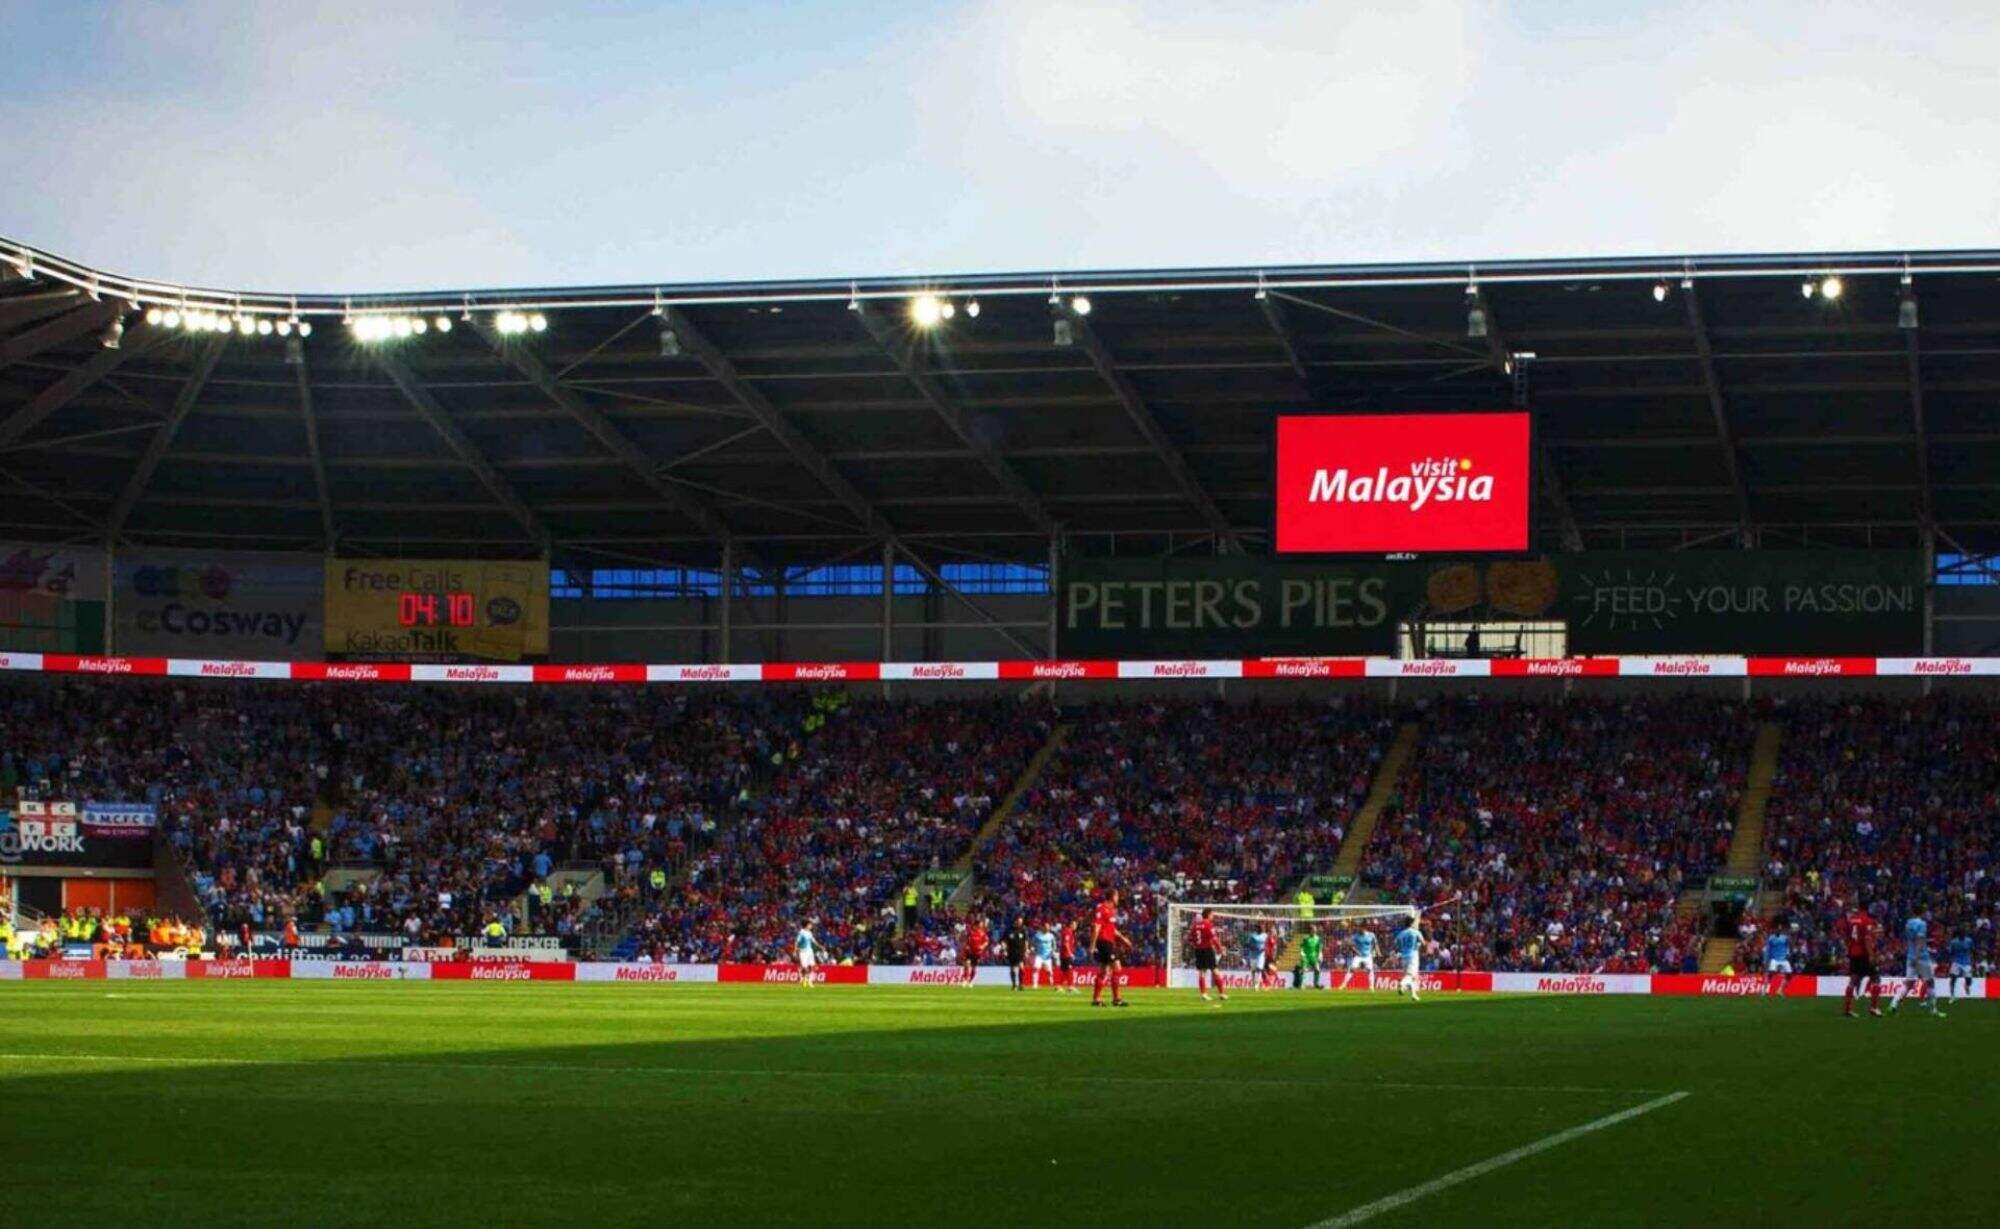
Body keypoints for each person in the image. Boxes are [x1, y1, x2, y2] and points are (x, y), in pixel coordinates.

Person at [1836, 905, 1883, 1018]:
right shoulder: (1867, 920)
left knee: (1853, 980)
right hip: (1864, 953)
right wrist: (1871, 955)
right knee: (1876, 978)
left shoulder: (1851, 920)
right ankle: (1874, 1008)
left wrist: (1850, 949)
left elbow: (1847, 936)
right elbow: (1867, 939)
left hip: (1853, 952)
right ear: (1866, 909)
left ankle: (1847, 1009)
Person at [1889, 911, 1940, 1017]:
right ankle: (1934, 1010)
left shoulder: (1908, 923)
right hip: (1921, 957)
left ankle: (1893, 1004)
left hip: (1910, 956)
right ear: (1921, 912)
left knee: (1908, 984)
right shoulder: (1922, 924)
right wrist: (1917, 957)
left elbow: (1909, 939)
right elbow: (1920, 940)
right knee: (1930, 982)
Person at [1088, 891, 1132, 1008]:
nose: (1119, 898)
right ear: (1112, 897)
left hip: (1108, 941)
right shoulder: (1101, 908)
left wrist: (1123, 939)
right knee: (1117, 968)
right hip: (1104, 942)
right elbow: (1096, 927)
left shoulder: (1111, 911)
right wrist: (1092, 946)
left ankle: (1096, 1000)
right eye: (1117, 895)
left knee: (1103, 971)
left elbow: (1112, 929)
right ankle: (1117, 999)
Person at [1189, 907, 1227, 1004]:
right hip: (1207, 949)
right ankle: (1222, 993)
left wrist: (1196, 945)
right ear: (1208, 914)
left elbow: (1190, 938)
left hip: (1198, 950)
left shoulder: (1196, 925)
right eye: (1212, 914)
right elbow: (1214, 938)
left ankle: (1203, 994)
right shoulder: (1208, 925)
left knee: (1202, 972)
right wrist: (1220, 949)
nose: (1213, 916)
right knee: (1215, 970)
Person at [1395, 911, 1425, 1001]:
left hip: (1404, 956)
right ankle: (1402, 984)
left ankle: (1414, 995)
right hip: (1413, 956)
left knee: (1409, 976)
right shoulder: (1416, 932)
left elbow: (1397, 945)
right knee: (1410, 976)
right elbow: (1423, 943)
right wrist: (1419, 945)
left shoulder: (1401, 933)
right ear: (1411, 923)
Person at [1341, 927, 1378, 991]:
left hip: (1368, 956)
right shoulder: (1356, 936)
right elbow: (1351, 945)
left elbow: (1375, 943)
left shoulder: (1371, 935)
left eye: (1360, 928)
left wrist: (1377, 951)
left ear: (1364, 928)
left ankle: (1371, 987)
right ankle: (1343, 985)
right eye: (1358, 929)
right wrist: (1357, 952)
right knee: (1351, 969)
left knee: (1370, 970)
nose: (1358, 930)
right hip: (1358, 956)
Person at [1944, 933, 1975, 1006]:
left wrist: (1973, 960)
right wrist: (1950, 961)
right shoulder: (1954, 942)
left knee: (1969, 980)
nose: (1962, 936)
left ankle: (1966, 985)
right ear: (1958, 935)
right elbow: (1950, 952)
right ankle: (1952, 996)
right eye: (1961, 934)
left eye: (1963, 934)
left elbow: (1973, 950)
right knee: (1953, 979)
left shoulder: (1969, 940)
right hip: (1956, 962)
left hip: (1967, 962)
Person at [1763, 928, 1793, 997]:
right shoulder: (1771, 938)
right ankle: (1764, 991)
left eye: (1780, 930)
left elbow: (1787, 946)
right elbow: (1768, 949)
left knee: (1789, 975)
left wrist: (1788, 953)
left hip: (1784, 959)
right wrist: (1766, 959)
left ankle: (1779, 990)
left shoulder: (1784, 938)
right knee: (1771, 973)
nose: (1778, 931)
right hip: (1774, 959)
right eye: (1777, 930)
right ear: (1774, 931)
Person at [1003, 916, 1029, 991]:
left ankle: (1021, 984)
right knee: (1013, 969)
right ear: (1015, 921)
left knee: (1022, 968)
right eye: (1019, 921)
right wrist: (1004, 950)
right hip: (1011, 952)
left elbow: (1026, 941)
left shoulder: (1024, 930)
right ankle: (1014, 985)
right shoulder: (1009, 930)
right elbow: (1004, 941)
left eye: (1021, 922)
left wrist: (1026, 950)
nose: (1020, 923)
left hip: (1021, 952)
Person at [1030, 921, 1058, 990]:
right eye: (1045, 927)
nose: (1047, 928)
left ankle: (1051, 985)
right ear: (1042, 927)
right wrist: (1032, 949)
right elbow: (1032, 944)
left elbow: (1054, 945)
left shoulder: (1051, 936)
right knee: (1036, 968)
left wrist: (1053, 951)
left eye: (1048, 927)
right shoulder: (1037, 935)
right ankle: (1034, 985)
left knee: (1049, 972)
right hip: (1039, 955)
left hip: (1048, 956)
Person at [963, 918, 987, 988]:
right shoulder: (971, 933)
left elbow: (986, 942)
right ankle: (965, 980)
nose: (981, 926)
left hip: (977, 953)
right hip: (970, 951)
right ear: (976, 925)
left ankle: (970, 981)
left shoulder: (982, 933)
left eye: (981, 925)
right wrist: (966, 946)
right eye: (980, 925)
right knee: (967, 964)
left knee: (974, 968)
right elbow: (966, 941)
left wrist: (983, 946)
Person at [1297, 926, 1324, 990]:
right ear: (1310, 930)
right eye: (1313, 930)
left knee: (1317, 970)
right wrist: (1301, 952)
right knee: (1303, 970)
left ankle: (1316, 984)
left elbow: (1319, 948)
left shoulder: (1318, 938)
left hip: (1314, 957)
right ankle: (1300, 985)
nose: (1314, 931)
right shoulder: (1306, 938)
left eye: (1315, 930)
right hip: (1306, 957)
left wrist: (1320, 954)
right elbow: (1301, 946)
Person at [795, 918, 819, 988]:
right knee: (805, 968)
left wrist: (820, 946)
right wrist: (795, 949)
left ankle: (809, 981)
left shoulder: (810, 933)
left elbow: (813, 941)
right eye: (810, 924)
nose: (811, 926)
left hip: (810, 951)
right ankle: (805, 978)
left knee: (812, 966)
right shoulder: (801, 932)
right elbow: (797, 941)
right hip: (803, 952)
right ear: (806, 925)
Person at [1057, 919, 1079, 994]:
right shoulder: (1068, 932)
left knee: (1064, 971)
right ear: (1071, 924)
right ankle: (1070, 986)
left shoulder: (1070, 932)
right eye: (1075, 925)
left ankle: (1059, 986)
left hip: (1064, 954)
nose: (1076, 926)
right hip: (1066, 954)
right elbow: (1066, 943)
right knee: (1069, 970)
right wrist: (1070, 953)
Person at [1247, 925, 1269, 992]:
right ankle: (1254, 984)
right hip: (1253, 955)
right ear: (1257, 928)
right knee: (1253, 971)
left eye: (1263, 928)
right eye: (1261, 928)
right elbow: (1247, 944)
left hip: (1261, 955)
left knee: (1259, 969)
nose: (1262, 929)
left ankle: (1256, 986)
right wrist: (1252, 947)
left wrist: (1265, 948)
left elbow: (1267, 944)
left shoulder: (1265, 935)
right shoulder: (1252, 936)